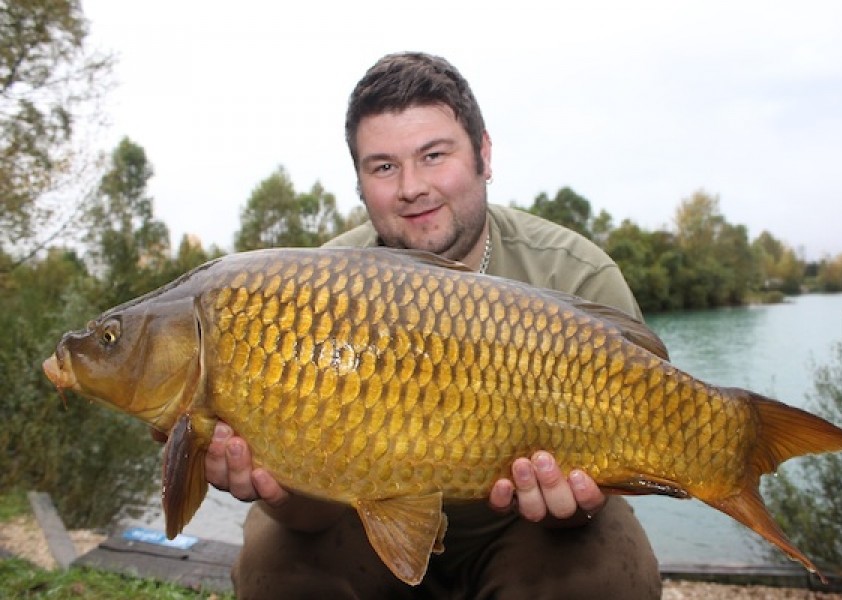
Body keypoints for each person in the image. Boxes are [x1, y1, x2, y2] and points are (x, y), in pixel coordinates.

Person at [206, 51, 662, 599]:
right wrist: (279, 492)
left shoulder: (577, 276)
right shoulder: (311, 295)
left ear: (483, 155)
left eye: (433, 155)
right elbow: (313, 517)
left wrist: (570, 507)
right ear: (359, 181)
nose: (411, 186)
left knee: (608, 572)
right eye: (383, 166)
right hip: (358, 518)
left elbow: (605, 485)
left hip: (522, 528)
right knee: (275, 563)